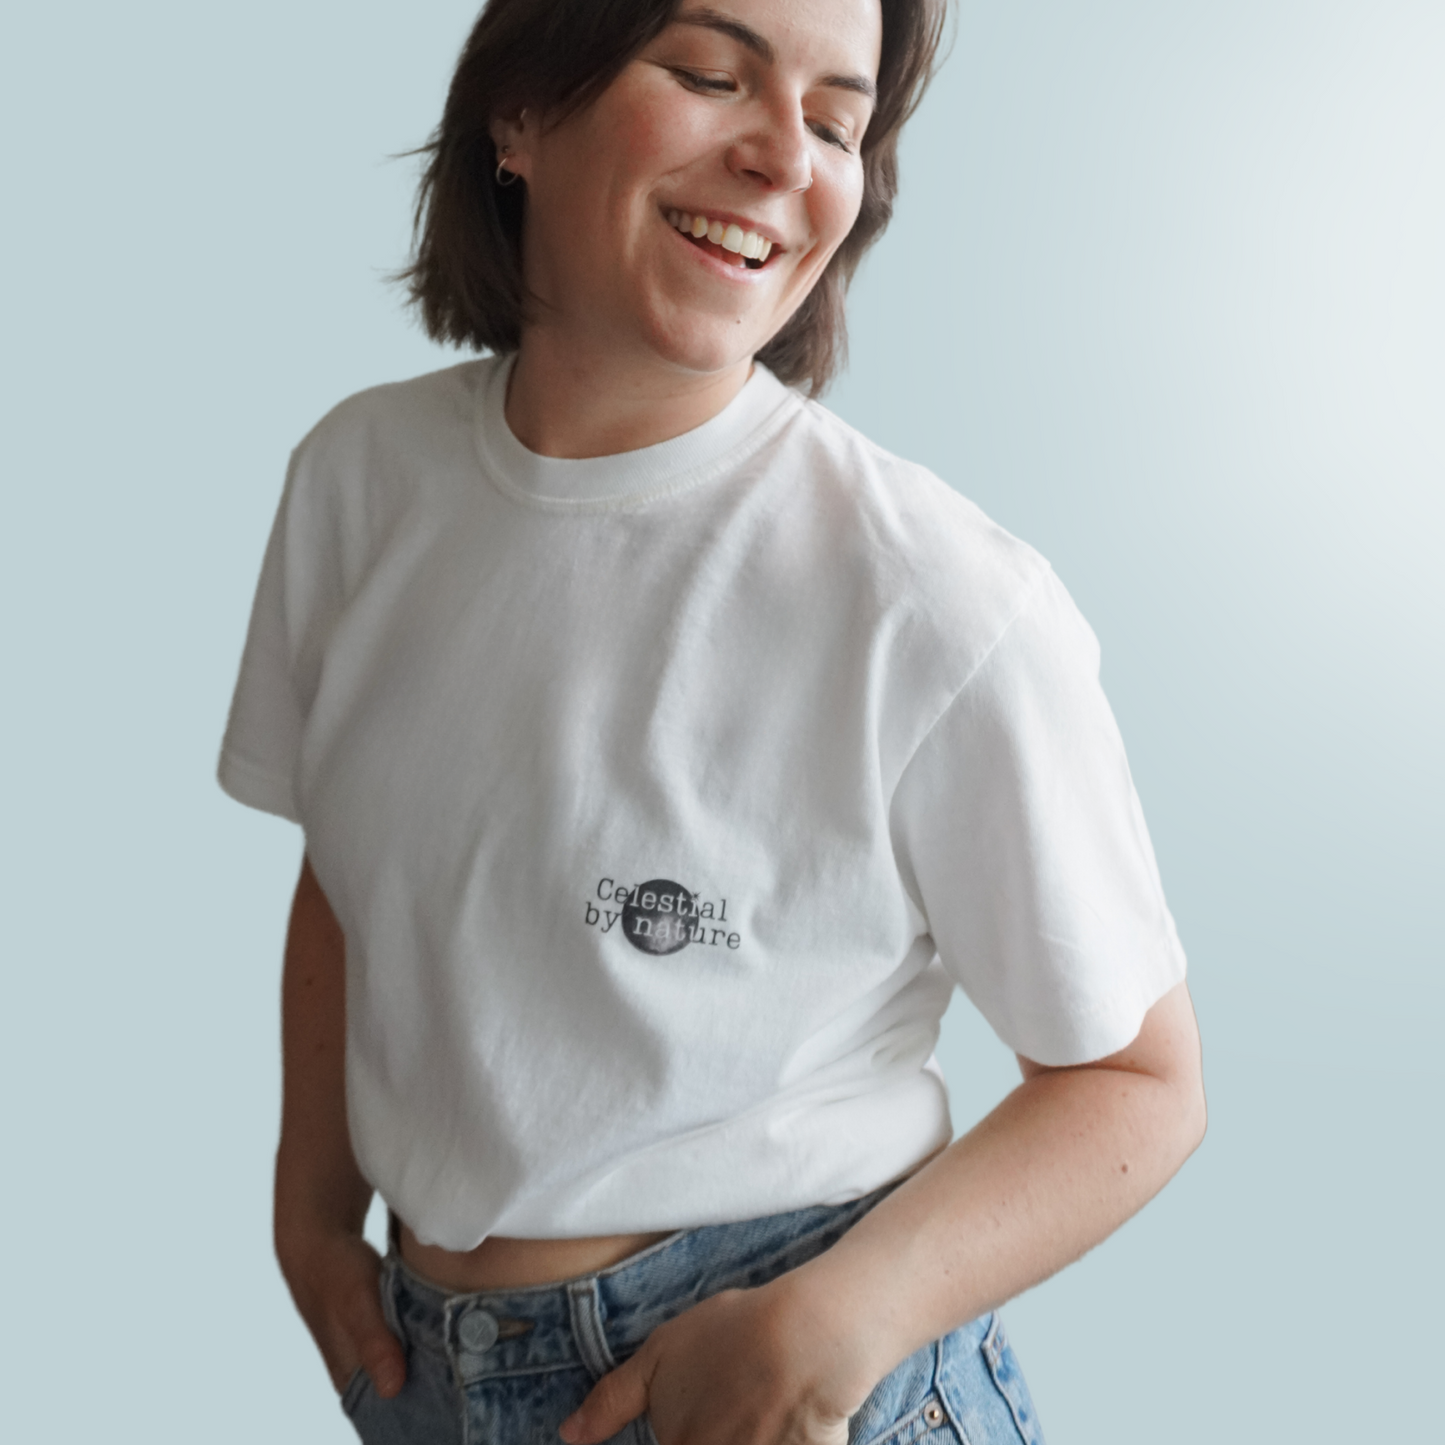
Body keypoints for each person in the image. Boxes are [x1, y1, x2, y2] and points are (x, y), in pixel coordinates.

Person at [218, 0, 1206, 1440]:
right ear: (520, 113)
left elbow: (1137, 1077)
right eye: (708, 74)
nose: (781, 159)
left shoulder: (931, 599)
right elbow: (355, 879)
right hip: (423, 1379)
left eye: (836, 121)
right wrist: (312, 1211)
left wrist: (831, 1324)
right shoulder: (358, 484)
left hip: (777, 1370)